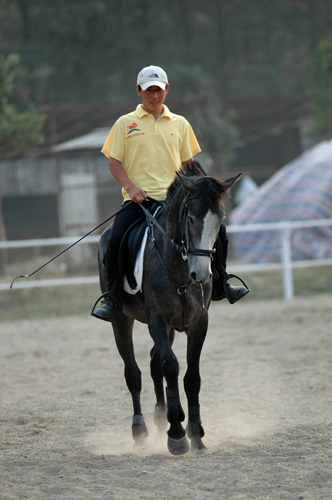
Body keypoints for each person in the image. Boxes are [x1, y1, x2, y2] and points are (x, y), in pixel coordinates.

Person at [91, 65, 249, 321]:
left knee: (219, 231)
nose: (154, 95)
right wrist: (131, 188)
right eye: (149, 90)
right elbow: (113, 162)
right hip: (139, 201)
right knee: (114, 238)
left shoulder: (180, 123)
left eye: (159, 90)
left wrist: (200, 191)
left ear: (167, 89)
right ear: (139, 91)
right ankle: (113, 298)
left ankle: (221, 283)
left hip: (178, 200)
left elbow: (190, 165)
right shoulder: (125, 124)